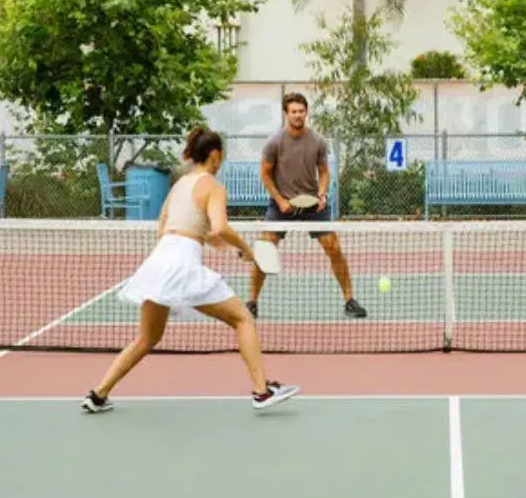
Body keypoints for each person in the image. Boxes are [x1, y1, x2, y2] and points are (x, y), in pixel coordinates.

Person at [81, 126, 300, 414]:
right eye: (221, 156)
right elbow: (219, 227)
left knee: (147, 338)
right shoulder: (213, 186)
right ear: (215, 155)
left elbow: (176, 230)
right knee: (243, 319)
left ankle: (98, 394)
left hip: (159, 260)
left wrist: (228, 249)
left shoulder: (179, 185)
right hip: (182, 264)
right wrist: (247, 249)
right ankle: (262, 391)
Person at [247, 92, 367, 319]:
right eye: (293, 111)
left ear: (306, 112)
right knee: (264, 250)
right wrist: (281, 200)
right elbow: (264, 174)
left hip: (313, 205)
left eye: (301, 111)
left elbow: (323, 172)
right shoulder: (274, 143)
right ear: (286, 114)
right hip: (281, 206)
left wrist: (321, 195)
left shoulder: (318, 141)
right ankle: (252, 302)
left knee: (334, 248)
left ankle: (350, 300)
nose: (298, 115)